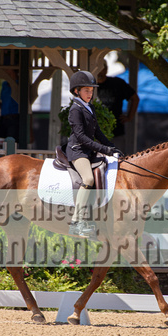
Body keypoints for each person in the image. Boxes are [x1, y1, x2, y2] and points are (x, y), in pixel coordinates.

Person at [66, 70, 123, 238]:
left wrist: (112, 147)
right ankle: (76, 222)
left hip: (89, 150)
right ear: (77, 91)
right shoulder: (75, 109)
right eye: (86, 90)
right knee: (88, 179)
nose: (90, 94)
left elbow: (97, 132)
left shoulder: (89, 107)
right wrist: (104, 150)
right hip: (78, 150)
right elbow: (82, 137)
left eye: (91, 91)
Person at [97, 61, 139, 152]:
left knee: (117, 161)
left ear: (106, 69)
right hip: (95, 134)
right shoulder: (89, 87)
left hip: (116, 133)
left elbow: (135, 98)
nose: (100, 72)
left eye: (102, 68)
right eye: (97, 68)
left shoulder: (117, 83)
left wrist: (129, 116)